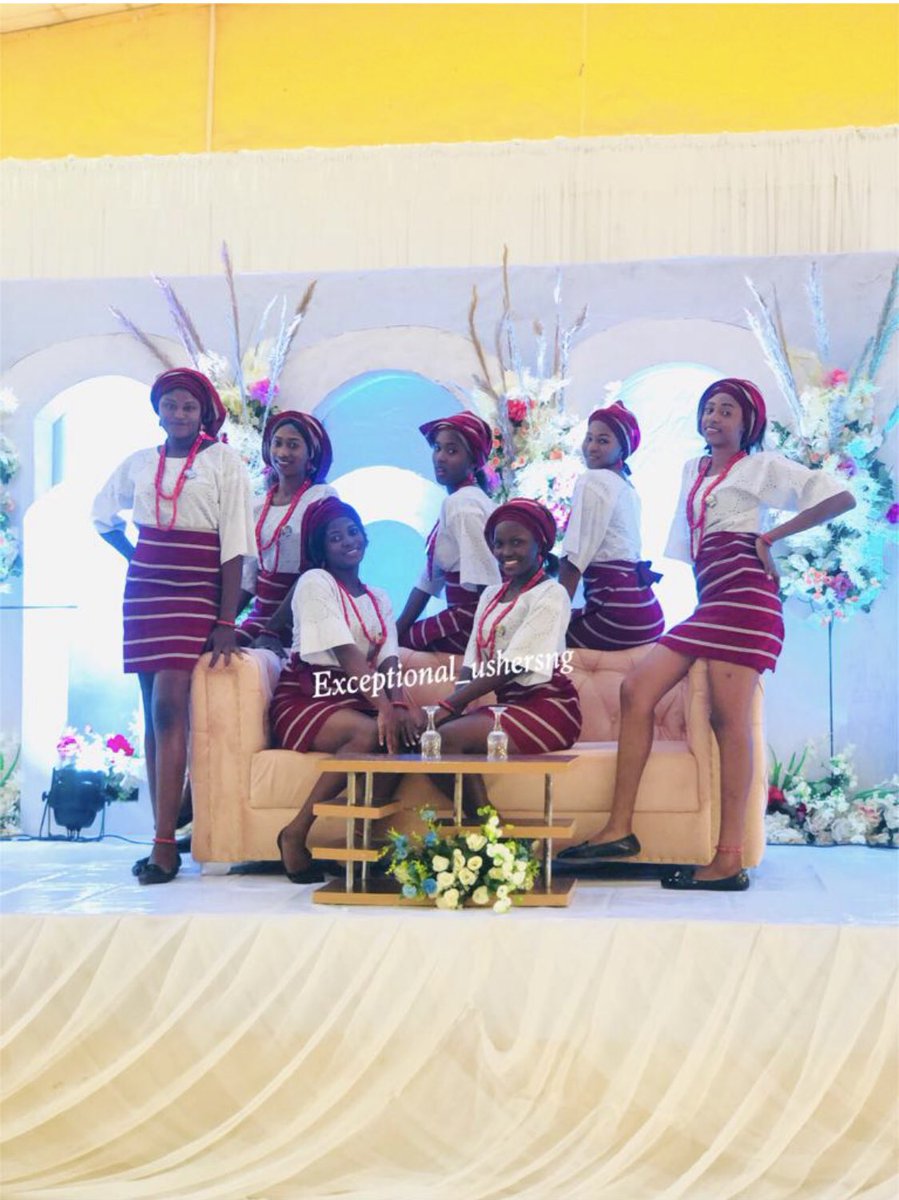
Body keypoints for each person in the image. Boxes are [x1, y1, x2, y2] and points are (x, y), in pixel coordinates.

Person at [557, 378, 856, 890]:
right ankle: (619, 829)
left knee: (728, 721)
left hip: (747, 597)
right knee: (637, 689)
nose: (714, 417)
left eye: (727, 411)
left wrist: (772, 536)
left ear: (747, 424)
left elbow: (840, 498)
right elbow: (691, 541)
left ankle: (728, 859)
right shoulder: (692, 469)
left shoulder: (761, 466)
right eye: (709, 408)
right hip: (712, 599)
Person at [93, 368, 255, 884]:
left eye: (189, 406)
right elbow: (101, 515)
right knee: (151, 711)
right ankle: (161, 836)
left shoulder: (224, 461)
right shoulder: (140, 462)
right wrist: (136, 556)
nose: (180, 414)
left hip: (196, 591)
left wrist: (227, 618)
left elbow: (235, 545)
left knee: (171, 705)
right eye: (172, 405)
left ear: (204, 412)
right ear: (158, 410)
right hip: (145, 592)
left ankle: (167, 844)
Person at [271, 497, 424, 882]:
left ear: (365, 537)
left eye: (353, 531)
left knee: (405, 735)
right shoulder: (314, 582)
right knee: (372, 731)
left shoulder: (379, 597)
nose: (347, 541)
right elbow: (345, 652)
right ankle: (295, 833)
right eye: (334, 537)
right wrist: (384, 708)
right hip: (309, 693)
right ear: (322, 548)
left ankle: (363, 844)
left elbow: (388, 659)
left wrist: (399, 702)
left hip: (358, 693)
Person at [431, 498, 582, 818]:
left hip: (548, 707)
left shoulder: (551, 593)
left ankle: (491, 835)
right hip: (509, 707)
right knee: (427, 738)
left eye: (517, 542)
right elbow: (472, 659)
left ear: (540, 544)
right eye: (498, 544)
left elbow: (516, 663)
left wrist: (449, 707)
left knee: (442, 738)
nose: (505, 552)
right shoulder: (490, 594)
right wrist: (456, 704)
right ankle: (489, 837)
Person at [560, 401, 665, 649]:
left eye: (603, 441)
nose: (591, 447)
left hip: (617, 616)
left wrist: (553, 619)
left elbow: (574, 557)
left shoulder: (593, 480)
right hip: (645, 614)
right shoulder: (626, 485)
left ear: (622, 450)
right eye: (589, 438)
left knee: (529, 644)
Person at [396, 412, 499, 654]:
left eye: (451, 451)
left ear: (473, 462)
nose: (440, 458)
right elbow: (430, 580)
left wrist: (485, 647)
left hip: (469, 620)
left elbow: (488, 580)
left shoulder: (463, 505)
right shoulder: (466, 499)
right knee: (391, 645)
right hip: (469, 618)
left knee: (392, 655)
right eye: (437, 448)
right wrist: (396, 630)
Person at [236, 410, 336, 649]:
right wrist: (221, 623)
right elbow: (249, 577)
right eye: (277, 444)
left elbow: (318, 569)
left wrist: (272, 630)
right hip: (262, 615)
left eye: (293, 445)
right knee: (213, 658)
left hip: (305, 613)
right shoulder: (257, 507)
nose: (282, 453)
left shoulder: (321, 498)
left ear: (311, 452)